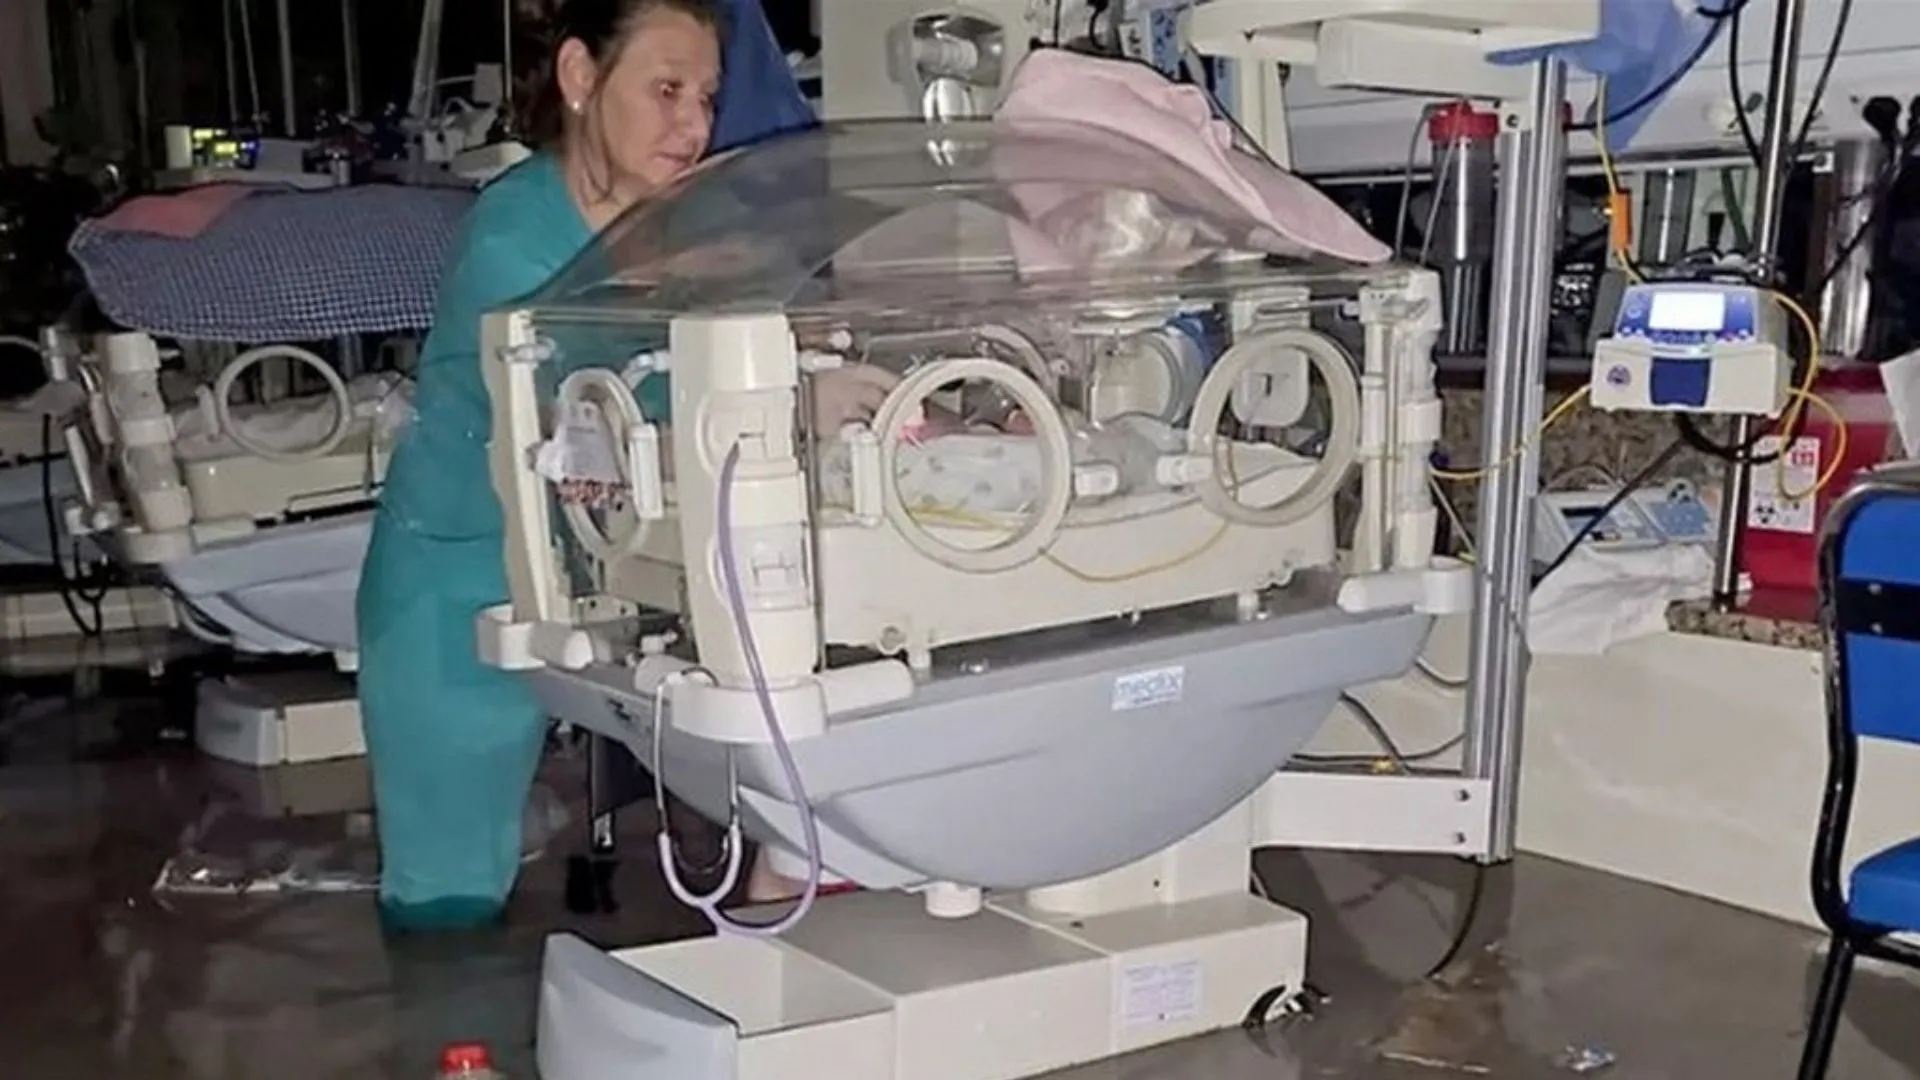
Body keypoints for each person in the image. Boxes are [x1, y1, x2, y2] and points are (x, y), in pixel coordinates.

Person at [358, 0, 893, 932]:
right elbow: (589, 414)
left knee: (785, 744)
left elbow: (743, 332)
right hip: (459, 575)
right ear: (581, 77)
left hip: (626, 560)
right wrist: (786, 405)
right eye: (667, 90)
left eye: (707, 98)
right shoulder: (512, 239)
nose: (693, 125)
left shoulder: (687, 222)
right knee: (446, 897)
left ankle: (787, 882)